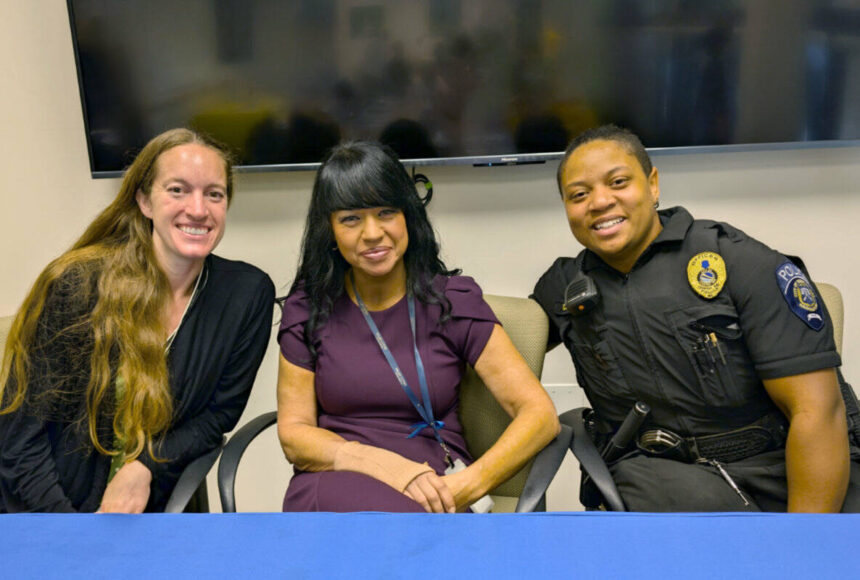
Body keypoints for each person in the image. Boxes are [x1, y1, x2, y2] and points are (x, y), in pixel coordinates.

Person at [532, 124, 860, 512]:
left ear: (653, 184)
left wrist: (802, 543)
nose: (600, 202)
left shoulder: (740, 262)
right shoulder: (564, 288)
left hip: (783, 465)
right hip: (669, 481)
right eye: (579, 195)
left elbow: (817, 411)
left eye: (618, 182)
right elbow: (492, 339)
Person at [0, 128, 275, 513]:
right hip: (43, 508)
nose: (198, 209)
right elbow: (18, 439)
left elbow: (217, 417)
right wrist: (68, 529)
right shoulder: (77, 287)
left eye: (214, 193)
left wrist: (143, 467)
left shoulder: (247, 295)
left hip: (150, 510)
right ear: (144, 201)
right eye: (177, 190)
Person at [277, 141, 559, 513]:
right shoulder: (310, 307)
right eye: (351, 219)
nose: (373, 232)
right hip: (333, 476)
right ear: (328, 230)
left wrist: (468, 486)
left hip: (433, 485)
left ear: (408, 216)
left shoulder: (452, 303)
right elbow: (295, 436)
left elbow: (540, 417)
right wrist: (385, 467)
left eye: (386, 212)